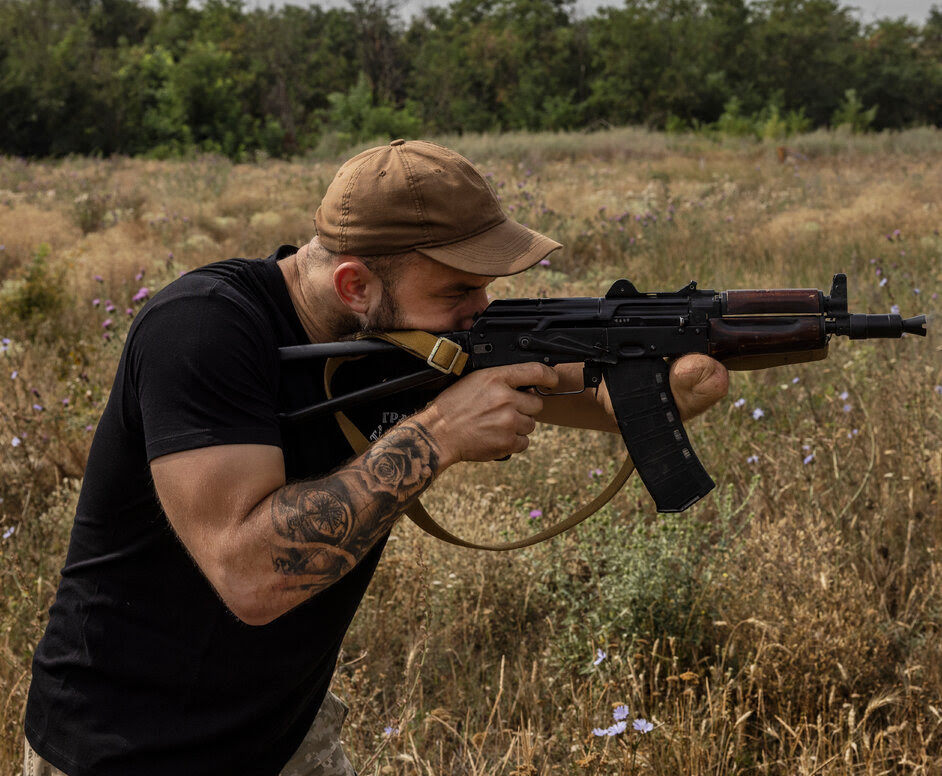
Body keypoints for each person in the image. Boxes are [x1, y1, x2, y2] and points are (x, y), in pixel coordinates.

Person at [23, 139, 729, 775]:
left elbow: (601, 401)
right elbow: (249, 574)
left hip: (284, 735)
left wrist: (677, 371)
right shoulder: (201, 330)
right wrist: (440, 433)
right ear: (354, 286)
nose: (482, 307)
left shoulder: (412, 331)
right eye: (459, 287)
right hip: (124, 747)